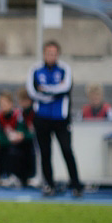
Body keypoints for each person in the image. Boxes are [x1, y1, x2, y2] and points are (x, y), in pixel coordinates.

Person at [26, 40, 83, 197]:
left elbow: (65, 87)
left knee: (66, 150)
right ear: (44, 54)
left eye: (54, 53)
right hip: (42, 117)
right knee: (45, 152)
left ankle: (76, 185)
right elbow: (32, 92)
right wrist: (52, 94)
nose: (51, 56)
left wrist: (46, 91)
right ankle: (49, 185)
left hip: (61, 118)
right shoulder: (35, 69)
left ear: (58, 54)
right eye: (48, 53)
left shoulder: (65, 69)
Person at [0, 90, 35, 187]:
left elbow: (23, 132)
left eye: (5, 103)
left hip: (18, 145)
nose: (2, 106)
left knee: (14, 151)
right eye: (1, 103)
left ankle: (17, 176)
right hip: (6, 143)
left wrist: (19, 136)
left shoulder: (18, 115)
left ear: (11, 103)